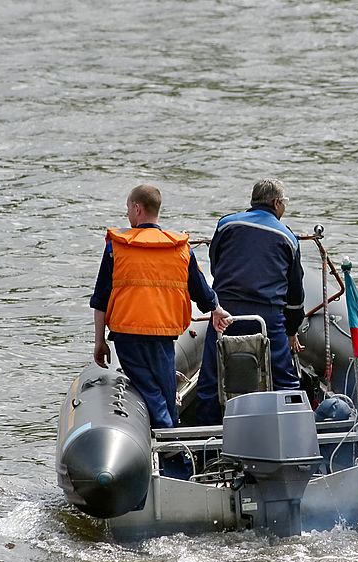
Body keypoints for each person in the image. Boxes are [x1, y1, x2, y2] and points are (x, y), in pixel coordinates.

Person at [90, 184, 231, 429]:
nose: (127, 215)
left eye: (128, 209)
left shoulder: (117, 247)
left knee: (151, 393)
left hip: (128, 336)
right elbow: (201, 290)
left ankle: (171, 441)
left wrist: (99, 341)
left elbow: (100, 298)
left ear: (137, 209)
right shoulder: (179, 248)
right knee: (164, 395)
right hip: (163, 337)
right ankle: (174, 451)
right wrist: (216, 309)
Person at [195, 178, 305, 425]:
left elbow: (216, 262)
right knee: (286, 381)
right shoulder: (287, 237)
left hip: (225, 312)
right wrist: (292, 331)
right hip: (267, 317)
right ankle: (294, 431)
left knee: (210, 379)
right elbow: (295, 294)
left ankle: (206, 439)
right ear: (277, 203)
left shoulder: (226, 225)